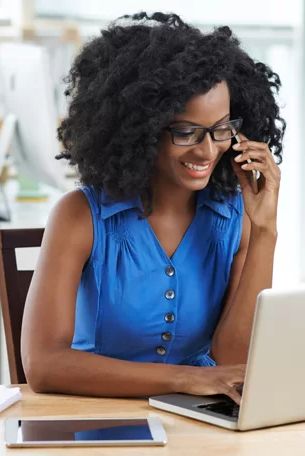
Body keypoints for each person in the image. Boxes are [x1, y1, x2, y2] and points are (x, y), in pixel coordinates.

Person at [21, 12, 285, 404]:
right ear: (141, 129)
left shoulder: (235, 217)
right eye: (185, 132)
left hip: (198, 425)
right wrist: (186, 379)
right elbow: (44, 365)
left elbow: (234, 363)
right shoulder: (80, 216)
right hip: (94, 419)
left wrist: (265, 230)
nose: (208, 149)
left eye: (222, 129)